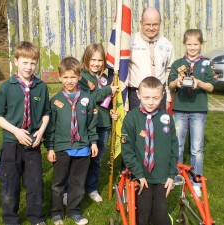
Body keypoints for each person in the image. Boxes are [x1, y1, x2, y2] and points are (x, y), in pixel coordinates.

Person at [0, 41, 50, 225]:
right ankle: (11, 219)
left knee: (35, 183)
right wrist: (16, 131)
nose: (29, 67)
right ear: (16, 61)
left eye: (33, 63)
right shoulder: (7, 87)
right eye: (25, 62)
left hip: (33, 143)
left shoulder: (41, 86)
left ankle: (36, 217)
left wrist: (40, 131)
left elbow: (46, 113)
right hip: (12, 143)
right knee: (11, 183)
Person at [45, 56, 99, 225]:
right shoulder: (55, 101)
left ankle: (74, 210)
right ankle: (56, 212)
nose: (69, 81)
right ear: (60, 77)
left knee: (78, 182)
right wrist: (50, 148)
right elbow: (50, 127)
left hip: (82, 147)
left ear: (79, 77)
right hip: (61, 148)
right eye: (66, 77)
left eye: (73, 77)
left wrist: (93, 142)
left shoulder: (87, 99)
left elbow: (91, 124)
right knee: (58, 183)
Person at [121, 76, 178, 225]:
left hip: (162, 176)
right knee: (142, 214)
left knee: (160, 215)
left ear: (162, 96)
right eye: (146, 97)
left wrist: (171, 174)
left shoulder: (167, 118)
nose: (151, 102)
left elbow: (174, 148)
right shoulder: (131, 119)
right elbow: (127, 150)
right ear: (138, 95)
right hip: (142, 176)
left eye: (156, 98)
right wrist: (138, 173)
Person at [168, 29, 215, 197]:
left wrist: (199, 83)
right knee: (178, 145)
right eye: (189, 44)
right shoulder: (178, 63)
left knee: (196, 149)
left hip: (198, 110)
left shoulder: (206, 63)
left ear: (201, 44)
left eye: (196, 44)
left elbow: (210, 87)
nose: (192, 47)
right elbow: (170, 85)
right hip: (180, 108)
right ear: (184, 44)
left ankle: (196, 181)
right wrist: (178, 81)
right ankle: (177, 176)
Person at [77, 43, 118, 202]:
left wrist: (113, 112)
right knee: (81, 159)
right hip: (87, 125)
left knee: (97, 159)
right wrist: (108, 90)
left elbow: (109, 102)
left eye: (100, 60)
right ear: (86, 59)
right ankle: (76, 188)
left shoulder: (106, 78)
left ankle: (92, 188)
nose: (96, 63)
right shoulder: (82, 77)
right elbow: (88, 99)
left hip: (103, 124)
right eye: (93, 59)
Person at [126, 7, 174, 111]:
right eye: (148, 24)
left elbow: (169, 73)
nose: (151, 28)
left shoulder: (167, 45)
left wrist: (168, 98)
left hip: (159, 96)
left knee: (158, 126)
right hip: (136, 96)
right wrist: (125, 101)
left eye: (155, 24)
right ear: (141, 23)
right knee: (137, 127)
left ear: (160, 23)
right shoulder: (130, 42)